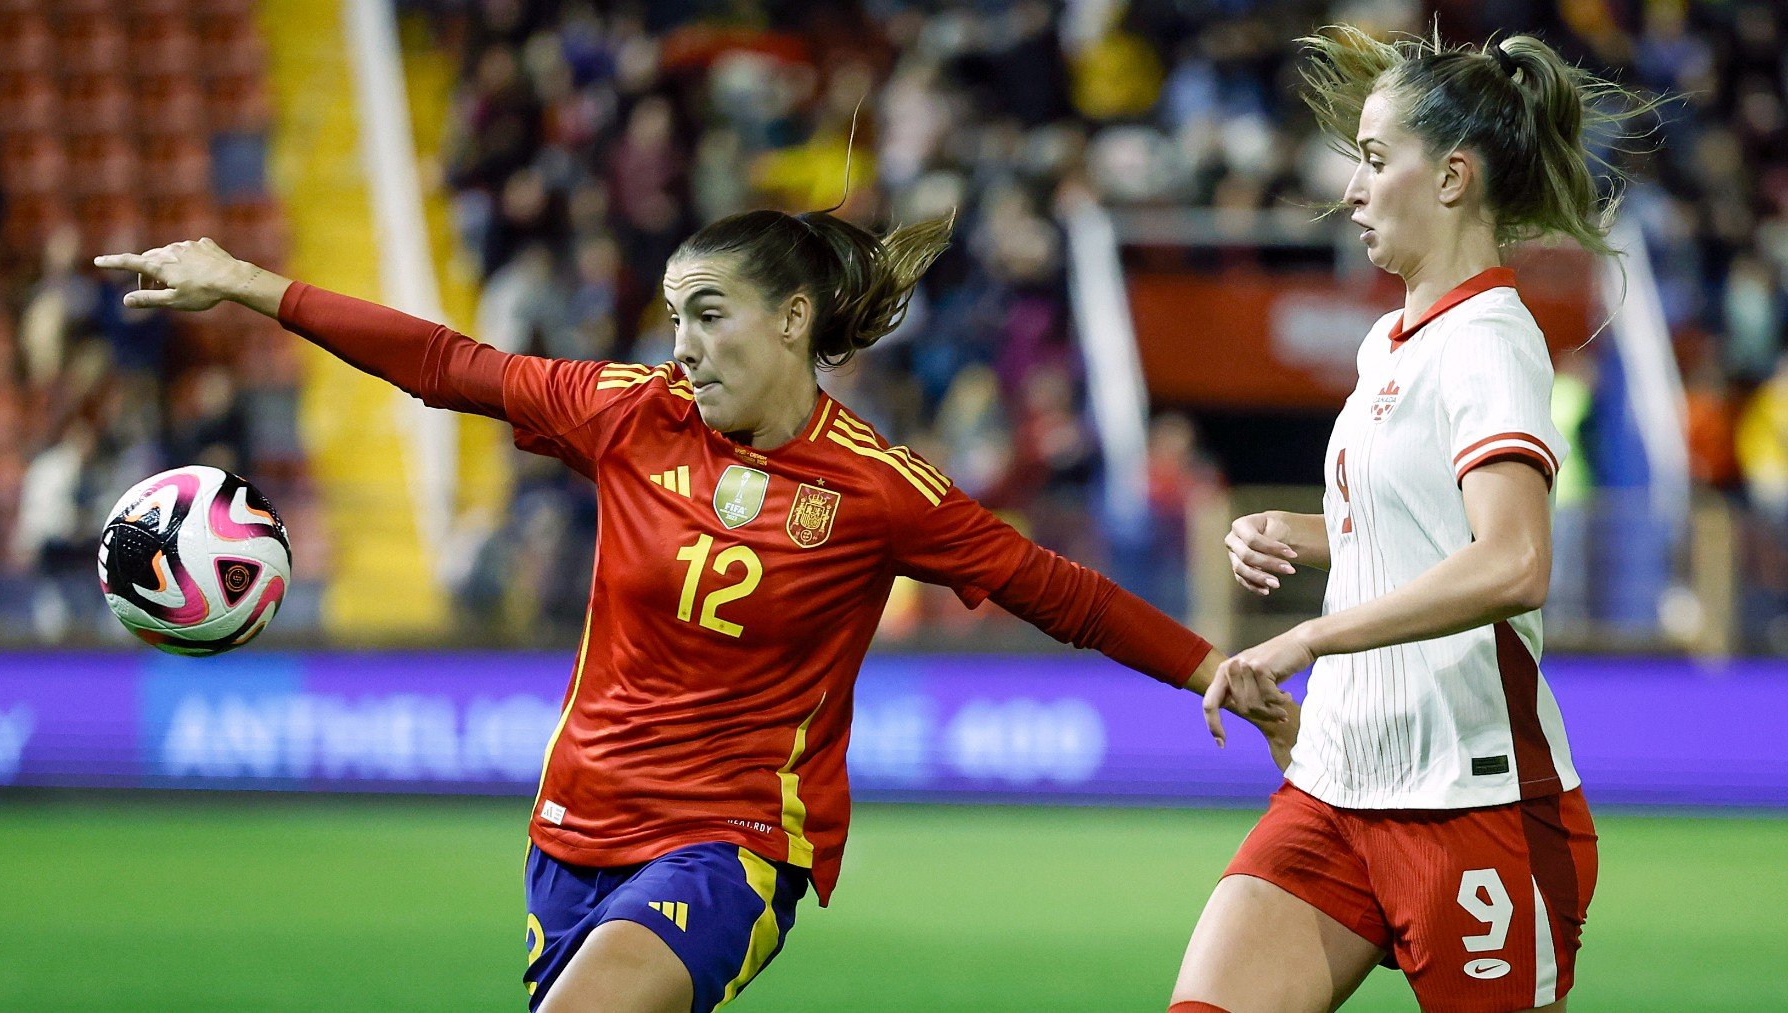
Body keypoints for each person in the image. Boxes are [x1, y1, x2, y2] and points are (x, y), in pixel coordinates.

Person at [96, 212, 1296, 1013]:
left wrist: (1207, 665)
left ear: (791, 320)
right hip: (568, 835)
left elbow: (1055, 588)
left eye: (709, 313)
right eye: (674, 314)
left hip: (733, 842)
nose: (682, 344)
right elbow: (446, 364)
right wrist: (246, 284)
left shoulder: (877, 488)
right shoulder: (629, 413)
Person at [1171, 27, 1654, 1013]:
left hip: (1475, 807)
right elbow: (1416, 528)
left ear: (1453, 179)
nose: (1352, 187)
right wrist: (1306, 533)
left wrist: (1304, 634)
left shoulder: (1489, 343)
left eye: (1377, 158)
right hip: (1334, 788)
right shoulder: (1387, 341)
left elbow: (1514, 560)